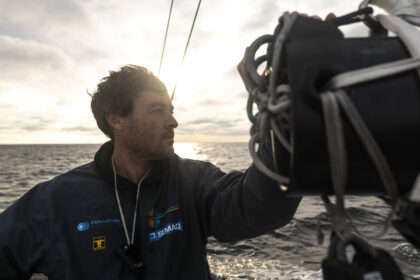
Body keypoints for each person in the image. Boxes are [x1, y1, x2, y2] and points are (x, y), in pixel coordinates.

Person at [0, 65, 301, 279]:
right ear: (116, 119)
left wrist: (287, 123)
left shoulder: (193, 181)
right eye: (158, 111)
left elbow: (257, 207)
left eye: (171, 110)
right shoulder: (54, 200)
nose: (173, 122)